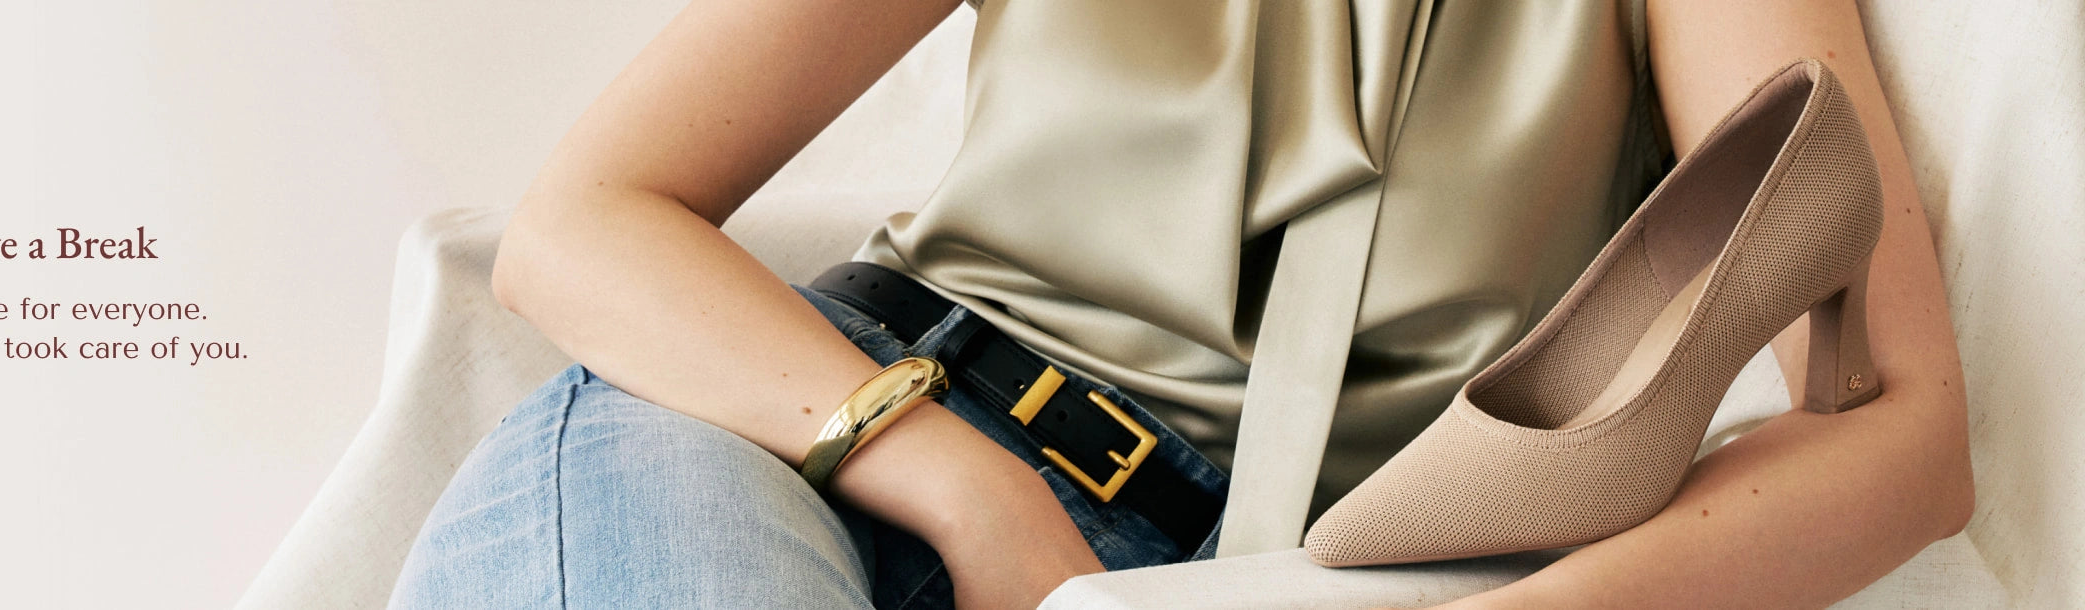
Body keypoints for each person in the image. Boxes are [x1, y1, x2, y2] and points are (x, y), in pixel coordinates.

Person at [392, 0, 1974, 607]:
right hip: (810, 432)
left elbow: (1906, 439)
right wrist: (969, 489)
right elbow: (584, 222)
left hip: (1283, 575)